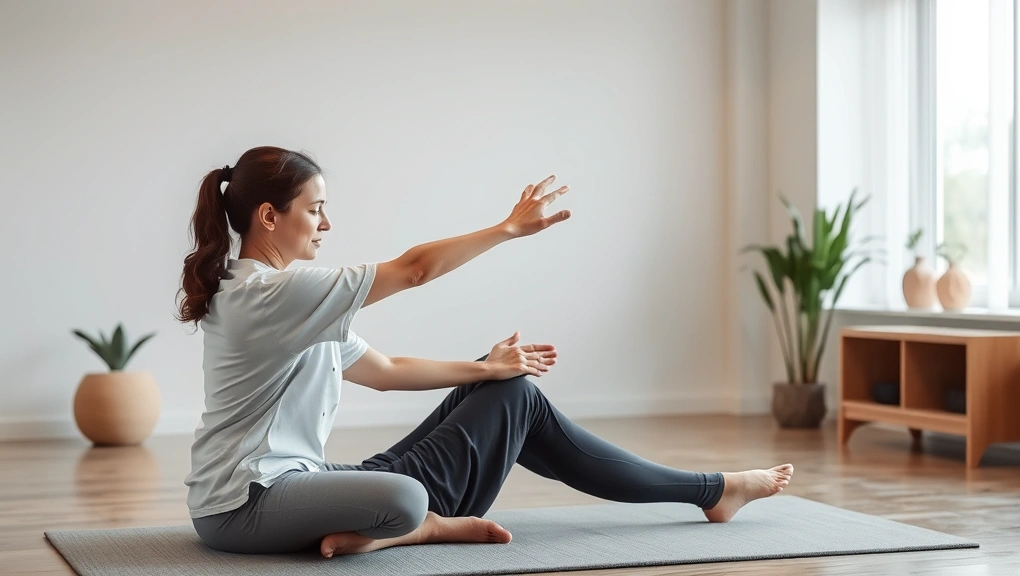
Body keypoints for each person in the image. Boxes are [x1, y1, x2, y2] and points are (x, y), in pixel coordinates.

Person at [177, 145, 793, 559]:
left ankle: (711, 490)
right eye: (316, 210)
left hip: (274, 488)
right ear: (267, 216)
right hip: (249, 504)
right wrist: (506, 229)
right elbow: (414, 271)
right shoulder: (273, 294)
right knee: (404, 496)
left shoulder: (274, 298)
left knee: (507, 390)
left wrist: (486, 369)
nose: (326, 225)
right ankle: (416, 528)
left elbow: (386, 373)